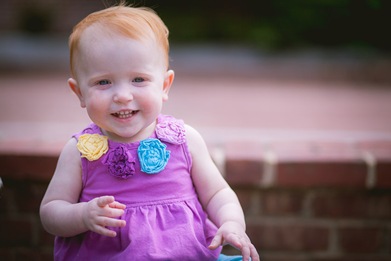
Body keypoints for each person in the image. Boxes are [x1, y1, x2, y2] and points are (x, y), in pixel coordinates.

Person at [40, 2, 259, 261]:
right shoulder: (80, 152)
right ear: (79, 93)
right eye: (103, 82)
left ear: (165, 85)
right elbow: (51, 211)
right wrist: (82, 215)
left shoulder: (183, 140)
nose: (122, 96)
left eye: (138, 79)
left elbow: (217, 193)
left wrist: (232, 222)